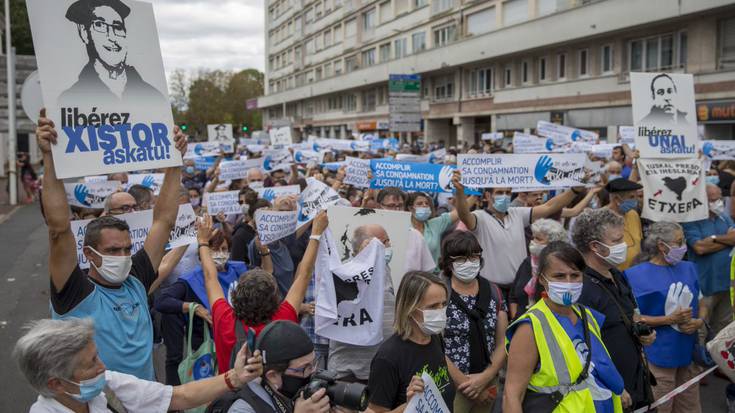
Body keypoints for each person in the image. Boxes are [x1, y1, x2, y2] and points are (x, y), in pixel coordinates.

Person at [37, 108, 187, 380]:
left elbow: (164, 220)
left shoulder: (136, 279)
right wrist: (50, 158)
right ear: (89, 254)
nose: (124, 256)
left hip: (146, 401)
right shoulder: (74, 293)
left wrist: (174, 161)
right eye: (113, 250)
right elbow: (59, 230)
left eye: (128, 249)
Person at [13, 318, 262, 413]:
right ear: (56, 384)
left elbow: (179, 396)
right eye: (90, 363)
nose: (103, 367)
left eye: (97, 356)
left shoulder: (106, 386)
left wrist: (235, 377)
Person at [504, 241, 624, 413]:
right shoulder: (530, 327)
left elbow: (595, 363)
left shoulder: (586, 315)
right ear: (542, 280)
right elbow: (513, 394)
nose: (568, 283)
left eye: (575, 275)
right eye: (559, 276)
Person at [204, 211, 327, 371]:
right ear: (275, 298)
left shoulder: (224, 318)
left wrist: (202, 242)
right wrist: (316, 233)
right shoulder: (284, 317)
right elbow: (304, 275)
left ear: (235, 297)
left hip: (231, 392)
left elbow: (210, 278)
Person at [572, 208, 656, 409]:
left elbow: (630, 314)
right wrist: (613, 386)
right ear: (595, 246)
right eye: (617, 240)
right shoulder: (582, 288)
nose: (624, 245)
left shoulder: (617, 274)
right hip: (610, 389)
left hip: (636, 379)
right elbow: (583, 347)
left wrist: (643, 332)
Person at [453, 170, 583, 298]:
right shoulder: (479, 217)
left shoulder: (518, 213)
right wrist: (460, 192)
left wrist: (574, 190)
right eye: (499, 193)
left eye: (508, 192)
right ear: (487, 196)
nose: (504, 196)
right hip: (492, 290)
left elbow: (550, 206)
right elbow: (464, 214)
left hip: (520, 287)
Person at [155, 223, 253, 386]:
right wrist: (194, 307)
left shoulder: (239, 270)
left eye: (224, 249)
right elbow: (161, 301)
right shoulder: (191, 279)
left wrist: (264, 250)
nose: (220, 254)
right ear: (202, 254)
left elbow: (267, 274)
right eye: (214, 250)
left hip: (238, 344)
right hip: (207, 350)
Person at [625, 222, 704, 413]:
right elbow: (630, 317)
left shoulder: (689, 267)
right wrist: (668, 319)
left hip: (688, 354)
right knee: (661, 407)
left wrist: (699, 321)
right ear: (661, 246)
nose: (684, 245)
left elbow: (703, 303)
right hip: (657, 357)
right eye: (679, 241)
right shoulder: (633, 275)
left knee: (690, 407)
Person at [368, 271, 456, 412]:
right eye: (433, 307)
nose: (441, 311)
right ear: (410, 308)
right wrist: (409, 405)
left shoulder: (435, 338)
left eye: (443, 304)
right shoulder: (388, 357)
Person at [440, 231, 508, 413]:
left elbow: (502, 342)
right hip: (452, 384)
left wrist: (485, 378)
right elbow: (434, 345)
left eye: (473, 257)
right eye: (461, 259)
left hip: (488, 381)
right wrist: (467, 384)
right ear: (448, 262)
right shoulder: (439, 292)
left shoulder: (494, 292)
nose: (468, 263)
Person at [60, 0, 168, 105]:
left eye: (118, 27)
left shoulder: (154, 97)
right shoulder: (68, 100)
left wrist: (168, 123)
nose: (112, 37)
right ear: (84, 33)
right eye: (100, 25)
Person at [327, 222, 396, 384]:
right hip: (350, 373)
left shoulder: (383, 269)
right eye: (383, 242)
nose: (389, 246)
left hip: (381, 369)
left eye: (387, 241)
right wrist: (364, 259)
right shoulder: (344, 275)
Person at [220, 320, 333, 413]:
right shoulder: (243, 409)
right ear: (273, 376)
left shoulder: (296, 394)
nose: (312, 372)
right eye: (304, 368)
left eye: (313, 364)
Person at [682, 184, 735, 336]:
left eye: (719, 198)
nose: (718, 202)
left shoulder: (723, 217)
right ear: (702, 200)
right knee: (702, 329)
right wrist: (727, 241)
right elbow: (700, 248)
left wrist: (713, 239)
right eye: (713, 200)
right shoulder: (691, 221)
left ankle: (718, 359)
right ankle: (701, 359)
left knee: (724, 328)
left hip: (726, 285)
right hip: (705, 286)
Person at [509, 218, 568, 319]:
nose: (533, 242)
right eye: (533, 238)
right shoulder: (527, 263)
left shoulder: (562, 269)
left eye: (539, 239)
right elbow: (513, 297)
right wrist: (516, 319)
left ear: (552, 244)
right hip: (521, 323)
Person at [376, 187, 435, 272]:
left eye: (400, 206)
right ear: (379, 207)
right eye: (391, 206)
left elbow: (427, 270)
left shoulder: (416, 236)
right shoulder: (369, 232)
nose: (397, 210)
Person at [406, 191, 460, 263]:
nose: (424, 205)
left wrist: (475, 196)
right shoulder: (403, 227)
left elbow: (460, 212)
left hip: (432, 273)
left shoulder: (434, 224)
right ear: (410, 208)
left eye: (427, 203)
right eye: (419, 204)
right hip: (408, 273)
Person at [604, 178, 644, 270]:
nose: (636, 200)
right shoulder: (601, 218)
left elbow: (638, 243)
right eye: (631, 197)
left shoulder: (633, 214)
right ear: (617, 199)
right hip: (615, 274)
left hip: (635, 271)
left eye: (636, 196)